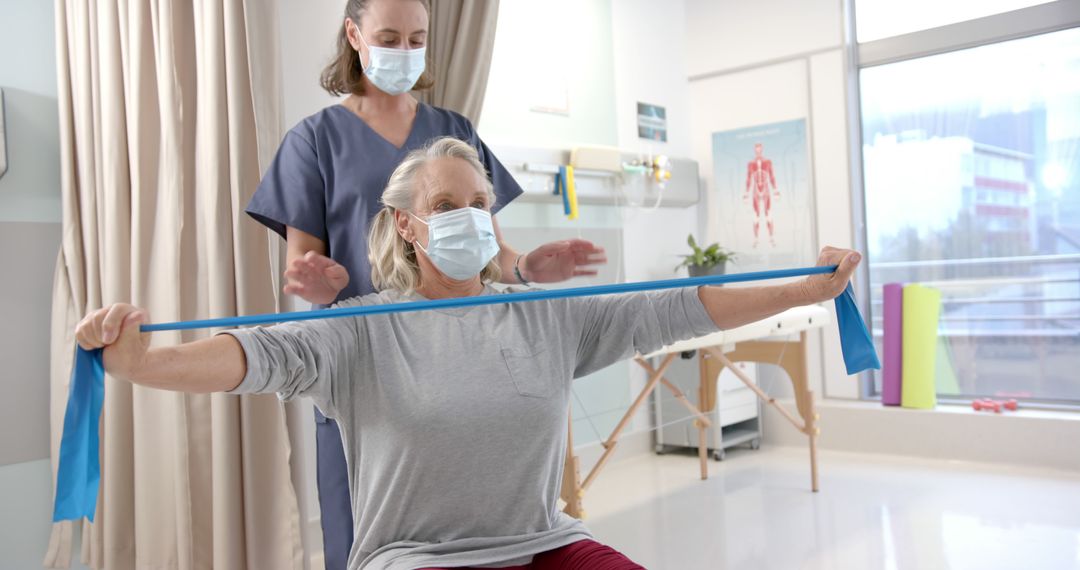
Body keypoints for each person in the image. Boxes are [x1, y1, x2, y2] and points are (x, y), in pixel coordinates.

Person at [76, 137, 862, 570]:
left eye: (480, 205)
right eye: (447, 206)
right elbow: (254, 355)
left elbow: (674, 309)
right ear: (409, 227)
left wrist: (803, 289)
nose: (470, 218)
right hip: (414, 560)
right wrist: (141, 362)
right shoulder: (360, 330)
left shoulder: (546, 317)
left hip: (542, 544)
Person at [247, 0, 605, 565]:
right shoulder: (313, 141)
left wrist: (527, 269)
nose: (406, 51)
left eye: (417, 38)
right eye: (389, 37)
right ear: (353, 34)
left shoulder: (453, 130)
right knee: (366, 536)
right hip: (370, 365)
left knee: (490, 528)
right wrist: (320, 286)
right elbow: (305, 268)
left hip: (467, 362)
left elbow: (489, 247)